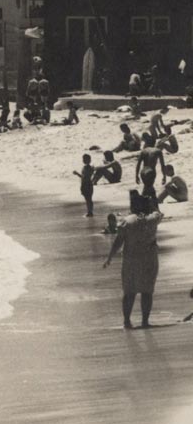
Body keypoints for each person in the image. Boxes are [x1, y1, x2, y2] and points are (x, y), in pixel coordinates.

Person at [103, 191, 163, 329]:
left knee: (129, 292)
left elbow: (118, 242)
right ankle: (145, 321)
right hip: (149, 260)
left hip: (131, 261)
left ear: (132, 207)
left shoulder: (127, 222)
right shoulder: (153, 219)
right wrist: (151, 204)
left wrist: (109, 257)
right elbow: (158, 212)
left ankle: (127, 322)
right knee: (147, 291)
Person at [135, 132, 166, 199]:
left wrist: (136, 176)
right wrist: (164, 176)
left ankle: (143, 202)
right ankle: (153, 203)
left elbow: (138, 164)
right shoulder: (158, 151)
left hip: (143, 172)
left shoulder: (143, 151)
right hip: (151, 171)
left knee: (147, 187)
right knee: (150, 188)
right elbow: (162, 165)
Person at [73, 153, 95, 217]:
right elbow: (85, 177)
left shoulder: (86, 168)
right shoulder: (90, 168)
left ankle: (89, 212)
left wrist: (77, 173)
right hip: (89, 184)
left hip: (86, 184)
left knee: (88, 199)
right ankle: (90, 211)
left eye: (84, 159)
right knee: (89, 199)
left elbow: (84, 177)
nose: (83, 160)